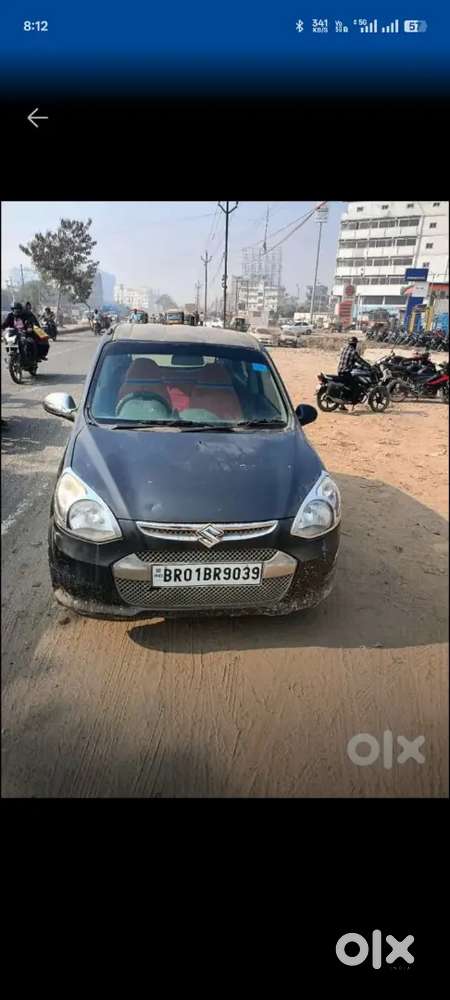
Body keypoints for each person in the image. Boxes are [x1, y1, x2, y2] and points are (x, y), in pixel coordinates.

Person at [336, 336, 370, 411]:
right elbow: (360, 361)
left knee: (346, 386)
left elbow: (348, 361)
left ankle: (342, 405)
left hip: (340, 371)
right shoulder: (353, 352)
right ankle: (353, 403)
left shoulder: (344, 349)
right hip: (346, 372)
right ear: (354, 344)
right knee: (356, 386)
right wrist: (368, 366)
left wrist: (354, 365)